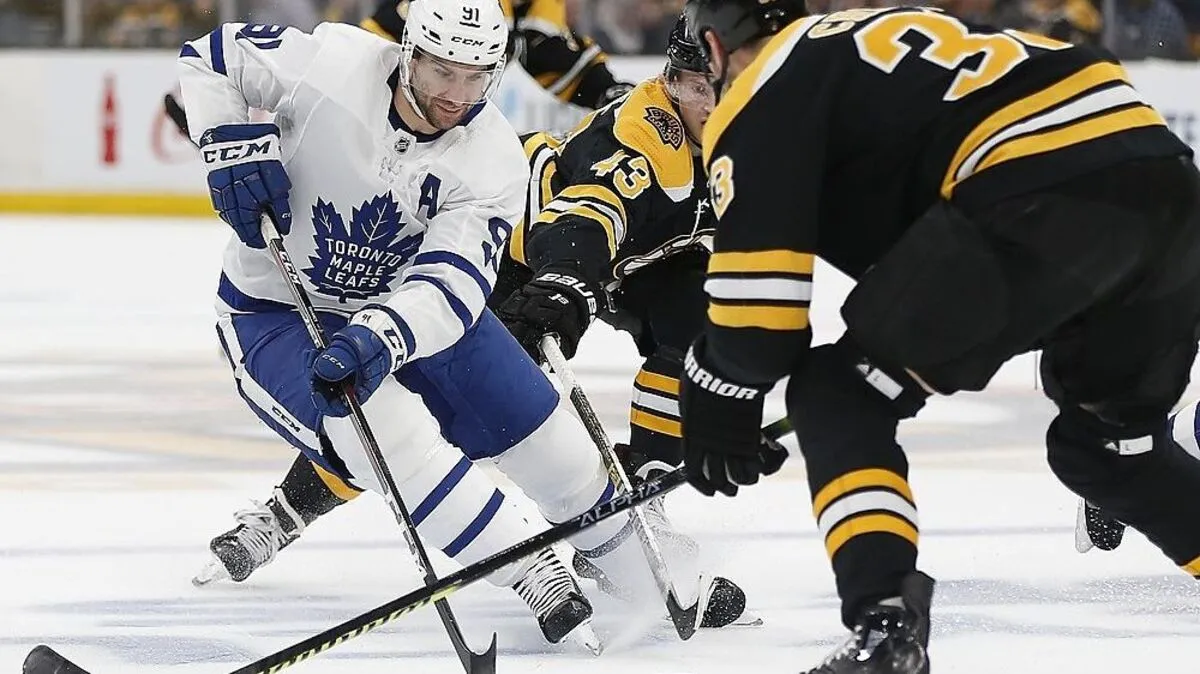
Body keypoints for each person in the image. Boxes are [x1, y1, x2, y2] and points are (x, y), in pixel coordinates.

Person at [677, 2, 1200, 672]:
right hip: (1167, 185)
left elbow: (760, 329)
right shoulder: (874, 32)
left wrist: (715, 390)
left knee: (839, 394)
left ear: (716, 47)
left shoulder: (763, 84)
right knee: (1111, 451)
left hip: (1036, 187)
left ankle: (885, 627)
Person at [192, 13, 755, 632]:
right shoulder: (332, 64)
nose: (456, 97)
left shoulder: (489, 153)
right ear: (408, 52)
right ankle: (525, 565)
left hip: (438, 297)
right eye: (441, 71)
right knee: (384, 426)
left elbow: (450, 280)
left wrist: (383, 334)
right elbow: (214, 55)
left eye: (476, 77)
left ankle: (645, 552)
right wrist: (227, 141)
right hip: (306, 305)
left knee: (561, 439)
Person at [164, 0, 632, 138]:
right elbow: (345, 57)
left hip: (439, 135)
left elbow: (551, 51)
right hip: (382, 123)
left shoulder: (533, 7)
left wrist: (608, 93)